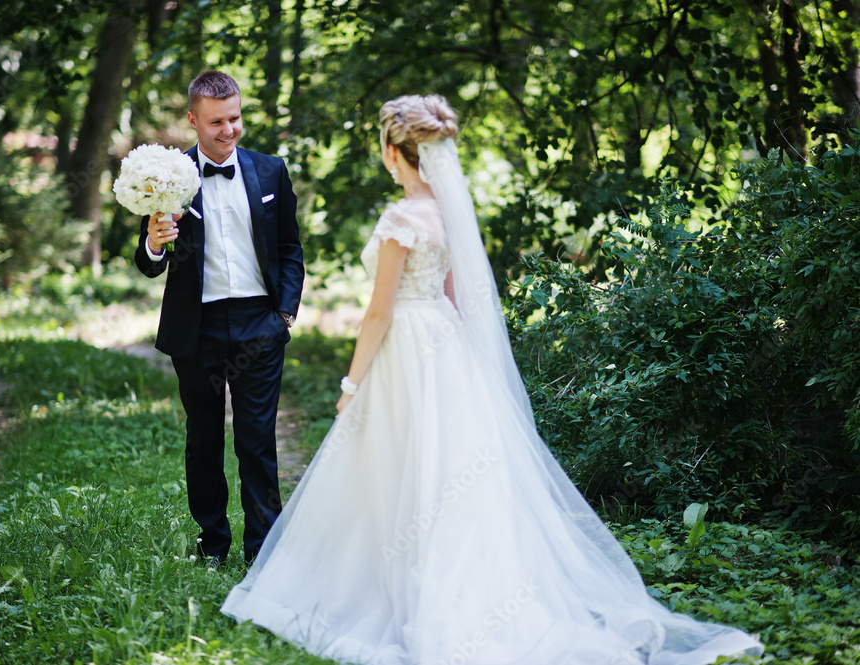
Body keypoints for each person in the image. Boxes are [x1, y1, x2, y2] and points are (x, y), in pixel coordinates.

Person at [220, 94, 763, 664]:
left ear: (391, 151)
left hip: (406, 347)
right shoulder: (449, 214)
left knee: (399, 467)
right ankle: (461, 588)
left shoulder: (401, 218)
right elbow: (456, 297)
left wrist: (351, 386)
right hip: (444, 349)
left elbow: (379, 313)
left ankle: (396, 589)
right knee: (449, 472)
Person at [134, 71, 304, 567]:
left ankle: (262, 551)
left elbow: (291, 249)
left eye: (234, 118)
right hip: (198, 328)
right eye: (215, 122)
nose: (228, 130)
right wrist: (154, 242)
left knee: (257, 441)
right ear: (192, 120)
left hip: (261, 323)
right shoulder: (167, 178)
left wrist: (284, 315)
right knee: (204, 440)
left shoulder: (271, 171)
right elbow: (147, 264)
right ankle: (213, 546)